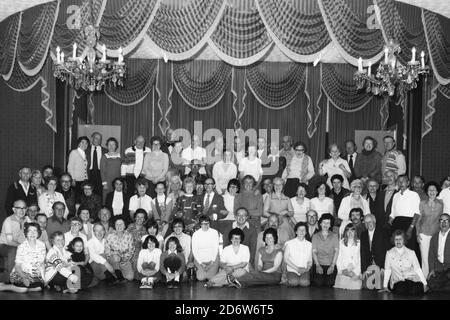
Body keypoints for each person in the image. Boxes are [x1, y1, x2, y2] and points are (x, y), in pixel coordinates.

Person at [0, 222, 46, 293]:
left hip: (34, 274)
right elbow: (17, 266)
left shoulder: (42, 245)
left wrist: (44, 278)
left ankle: (26, 288)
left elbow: (42, 264)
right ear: (26, 233)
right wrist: (24, 277)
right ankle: (4, 287)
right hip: (20, 273)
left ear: (38, 233)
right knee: (23, 289)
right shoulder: (21, 247)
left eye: (35, 231)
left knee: (39, 288)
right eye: (30, 231)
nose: (32, 233)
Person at [381, 230, 427, 295]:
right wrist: (385, 286)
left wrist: (425, 283)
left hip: (412, 279)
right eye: (396, 239)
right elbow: (387, 270)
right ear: (393, 241)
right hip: (398, 281)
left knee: (413, 291)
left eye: (400, 239)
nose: (398, 241)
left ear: (404, 240)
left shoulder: (411, 252)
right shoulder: (389, 253)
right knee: (400, 290)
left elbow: (418, 269)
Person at [389, 175, 421, 259]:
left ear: (408, 183)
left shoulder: (414, 195)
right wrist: (389, 224)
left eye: (403, 181)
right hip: (396, 223)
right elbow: (393, 213)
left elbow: (417, 213)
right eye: (399, 181)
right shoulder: (396, 195)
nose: (401, 183)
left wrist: (410, 228)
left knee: (409, 250)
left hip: (409, 223)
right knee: (396, 249)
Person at [417, 181, 443, 278]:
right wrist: (417, 234)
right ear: (427, 192)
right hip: (423, 234)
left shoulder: (441, 204)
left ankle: (434, 280)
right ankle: (425, 281)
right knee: (424, 258)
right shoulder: (422, 203)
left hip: (436, 234)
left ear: (437, 191)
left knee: (435, 257)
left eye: (434, 190)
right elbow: (418, 220)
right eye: (430, 190)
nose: (432, 192)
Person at [0, 200, 27, 284]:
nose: (22, 210)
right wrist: (22, 246)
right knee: (13, 250)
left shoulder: (26, 221)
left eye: (24, 208)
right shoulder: (8, 221)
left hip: (15, 245)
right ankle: (6, 279)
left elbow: (23, 239)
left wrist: (22, 227)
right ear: (13, 209)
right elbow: (9, 241)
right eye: (19, 208)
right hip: (3, 245)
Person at [311, 213, 339, 288]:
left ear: (330, 225)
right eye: (324, 222)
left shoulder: (334, 236)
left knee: (329, 284)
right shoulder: (315, 236)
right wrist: (317, 265)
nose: (325, 225)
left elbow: (336, 251)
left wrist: (332, 265)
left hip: (330, 264)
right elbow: (314, 252)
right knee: (318, 283)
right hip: (319, 264)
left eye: (328, 223)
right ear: (320, 223)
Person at [360, 214, 390, 280]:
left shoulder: (383, 232)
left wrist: (383, 267)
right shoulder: (363, 235)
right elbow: (363, 254)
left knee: (379, 286)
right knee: (367, 287)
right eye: (366, 222)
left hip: (381, 265)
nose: (368, 224)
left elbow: (388, 251)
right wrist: (364, 271)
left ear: (374, 221)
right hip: (369, 266)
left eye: (370, 222)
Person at [283, 222, 312, 287]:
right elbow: (286, 259)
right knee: (294, 282)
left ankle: (301, 279)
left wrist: (307, 269)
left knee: (305, 283)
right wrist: (297, 269)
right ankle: (287, 279)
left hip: (304, 270)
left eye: (303, 230)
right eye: (299, 230)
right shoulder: (289, 243)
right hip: (292, 269)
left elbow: (310, 260)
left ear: (306, 232)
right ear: (296, 232)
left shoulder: (310, 245)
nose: (301, 231)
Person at [191, 215, 220, 281]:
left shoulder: (214, 232)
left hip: (213, 259)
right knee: (201, 278)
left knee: (211, 278)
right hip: (200, 260)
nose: (206, 225)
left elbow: (215, 248)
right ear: (200, 224)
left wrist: (212, 262)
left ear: (210, 223)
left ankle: (212, 271)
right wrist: (201, 263)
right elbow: (194, 250)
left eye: (207, 223)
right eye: (203, 224)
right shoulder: (195, 234)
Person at [334, 223, 362, 290]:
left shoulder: (359, 243)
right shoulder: (341, 243)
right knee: (343, 288)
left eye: (352, 230)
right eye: (348, 230)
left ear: (355, 232)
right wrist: (343, 270)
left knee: (356, 287)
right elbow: (338, 259)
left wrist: (356, 272)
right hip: (344, 271)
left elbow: (360, 259)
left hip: (355, 272)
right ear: (345, 232)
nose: (350, 233)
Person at [427, 213, 450, 292]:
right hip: (439, 268)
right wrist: (432, 269)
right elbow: (431, 256)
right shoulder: (434, 237)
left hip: (449, 268)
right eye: (441, 221)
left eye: (446, 221)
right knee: (431, 283)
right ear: (439, 223)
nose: (444, 223)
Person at [67, 136, 90, 202]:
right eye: (82, 142)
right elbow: (70, 167)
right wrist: (72, 179)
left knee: (82, 198)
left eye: (86, 143)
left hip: (83, 180)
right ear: (79, 143)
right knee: (76, 198)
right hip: (76, 180)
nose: (84, 145)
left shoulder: (84, 154)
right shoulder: (74, 152)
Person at [127, 209, 148, 276]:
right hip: (128, 250)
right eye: (138, 216)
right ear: (135, 217)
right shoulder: (129, 227)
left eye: (142, 217)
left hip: (139, 252)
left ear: (144, 219)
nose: (139, 219)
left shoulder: (145, 230)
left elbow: (145, 246)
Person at [86, 132, 107, 197]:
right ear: (92, 138)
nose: (98, 140)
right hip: (89, 173)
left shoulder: (105, 151)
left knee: (99, 193)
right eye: (96, 138)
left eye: (99, 139)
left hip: (100, 174)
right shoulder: (86, 149)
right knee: (89, 192)